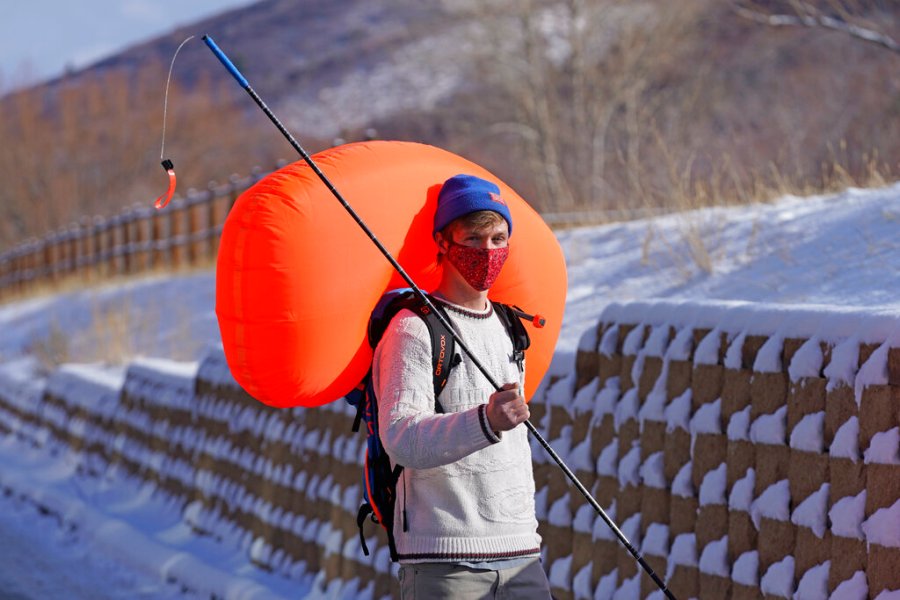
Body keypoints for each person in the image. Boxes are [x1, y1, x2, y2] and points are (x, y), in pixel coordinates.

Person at [372, 174, 552, 599]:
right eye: (473, 239)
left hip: (523, 555)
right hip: (445, 565)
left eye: (498, 239)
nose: (487, 252)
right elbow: (401, 437)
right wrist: (486, 420)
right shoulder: (414, 329)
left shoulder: (512, 327)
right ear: (442, 241)